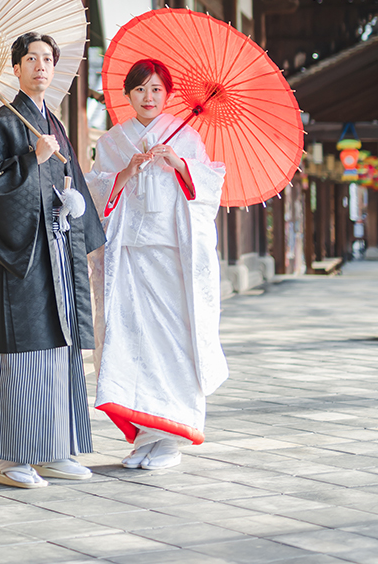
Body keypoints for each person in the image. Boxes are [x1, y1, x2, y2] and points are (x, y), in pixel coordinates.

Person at [0, 32, 105, 489]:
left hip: (56, 253)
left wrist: (71, 203)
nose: (41, 66)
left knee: (59, 346)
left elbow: (69, 181)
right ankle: (10, 457)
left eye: (47, 59)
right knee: (23, 349)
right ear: (17, 69)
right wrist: (29, 159)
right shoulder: (5, 123)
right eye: (31, 59)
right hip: (21, 260)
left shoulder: (53, 124)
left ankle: (54, 448)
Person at [86, 58, 228, 471]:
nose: (148, 98)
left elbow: (210, 187)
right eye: (140, 90)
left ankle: (172, 437)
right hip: (129, 256)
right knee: (130, 340)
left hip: (171, 256)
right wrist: (127, 171)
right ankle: (147, 436)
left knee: (172, 340)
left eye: (156, 90)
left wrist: (180, 164)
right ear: (128, 95)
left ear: (167, 96)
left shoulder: (185, 139)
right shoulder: (113, 140)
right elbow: (97, 191)